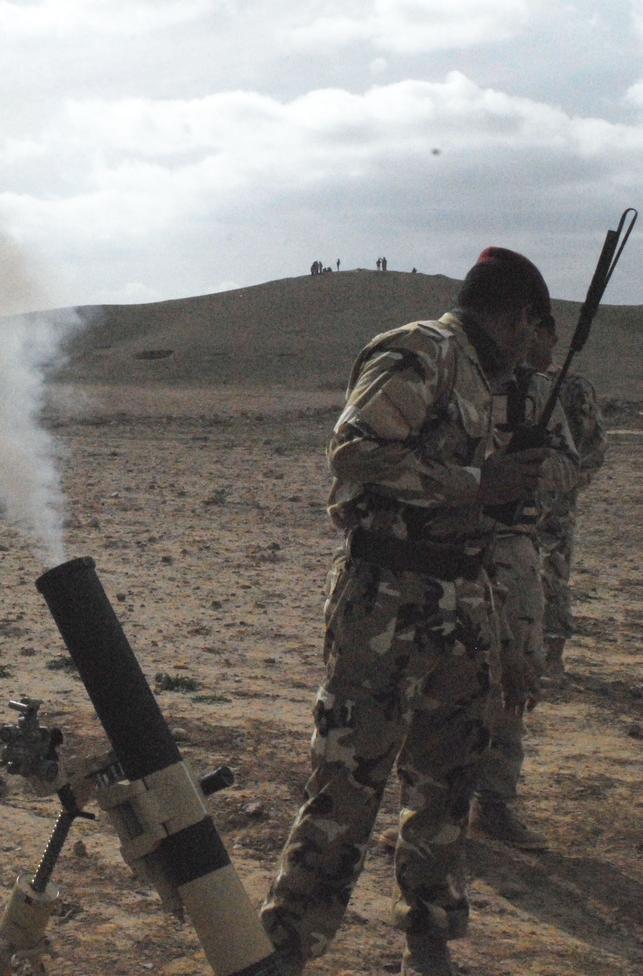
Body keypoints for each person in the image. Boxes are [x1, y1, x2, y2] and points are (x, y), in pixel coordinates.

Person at [260, 247, 556, 976]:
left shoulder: (494, 382)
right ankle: (287, 944)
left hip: (462, 597)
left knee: (448, 778)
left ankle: (427, 937)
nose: (531, 343)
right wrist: (471, 485)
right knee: (349, 777)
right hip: (386, 599)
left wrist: (501, 495)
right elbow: (353, 454)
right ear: (515, 314)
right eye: (531, 327)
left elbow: (487, 500)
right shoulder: (422, 351)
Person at [469, 317, 579, 849]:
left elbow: (568, 470)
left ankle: (493, 802)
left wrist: (529, 467)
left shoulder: (536, 394)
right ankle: (424, 809)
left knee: (516, 677)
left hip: (512, 546)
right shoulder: (451, 377)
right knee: (438, 674)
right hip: (445, 539)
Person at [534, 333, 609, 677]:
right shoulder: (502, 381)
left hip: (554, 503)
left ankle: (552, 654)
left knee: (552, 572)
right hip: (506, 495)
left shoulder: (573, 388)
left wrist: (571, 482)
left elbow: (595, 445)